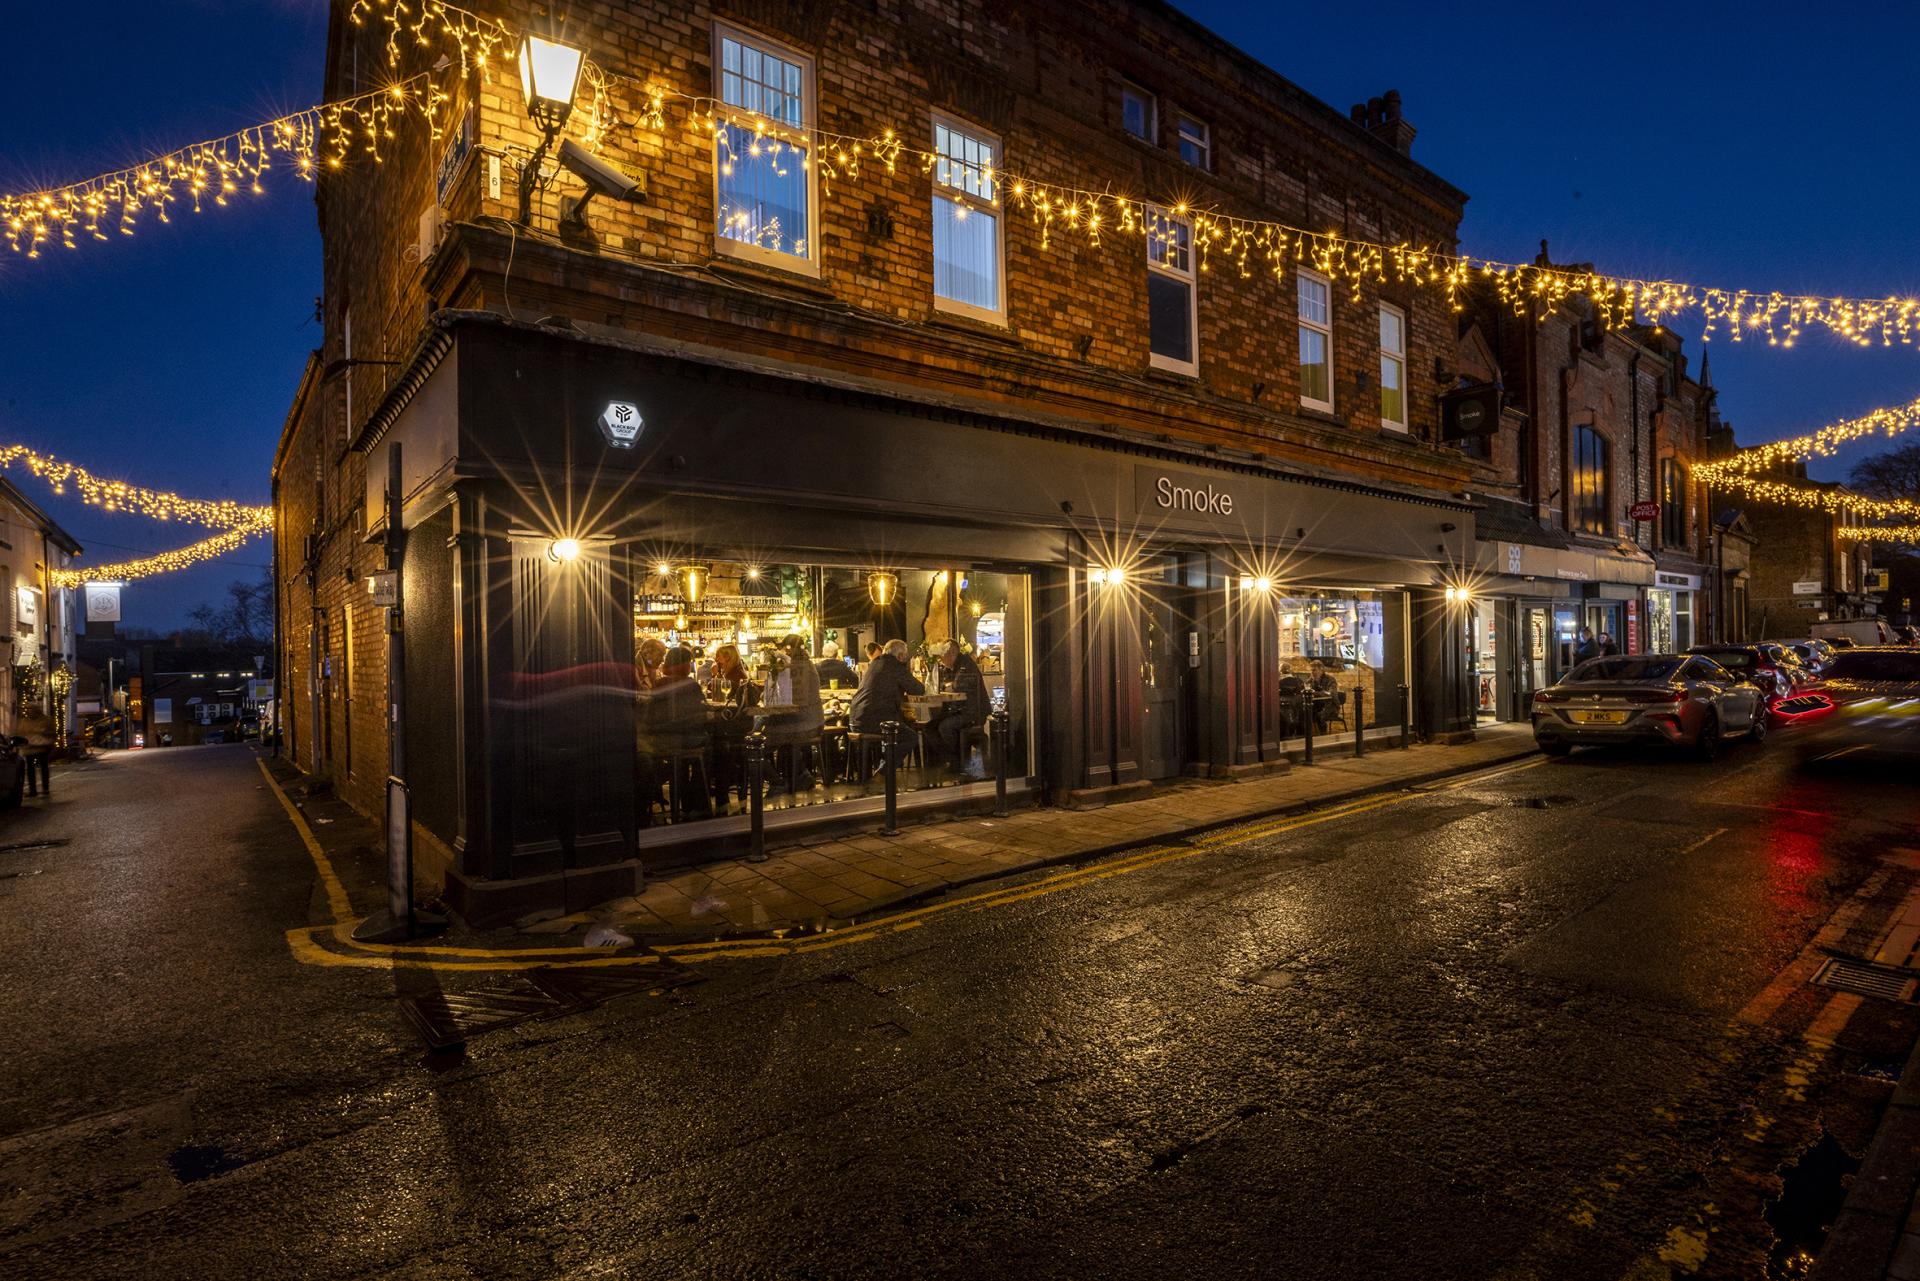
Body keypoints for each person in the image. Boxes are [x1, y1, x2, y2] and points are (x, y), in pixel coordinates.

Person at [637, 646, 711, 820]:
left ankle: (685, 802)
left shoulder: (659, 683)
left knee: (683, 760)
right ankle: (697, 802)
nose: (690, 667)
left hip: (659, 739)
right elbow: (700, 712)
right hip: (680, 739)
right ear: (683, 664)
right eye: (689, 663)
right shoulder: (689, 684)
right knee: (709, 746)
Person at [849, 639, 925, 769]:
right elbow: (918, 689)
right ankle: (885, 770)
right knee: (910, 737)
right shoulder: (895, 666)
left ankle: (882, 765)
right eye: (905, 656)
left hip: (854, 720)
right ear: (901, 656)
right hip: (874, 722)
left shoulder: (874, 664)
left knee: (900, 726)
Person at [930, 640, 990, 772]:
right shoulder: (953, 667)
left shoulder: (966, 664)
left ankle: (957, 762)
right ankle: (950, 759)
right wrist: (947, 685)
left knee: (945, 727)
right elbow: (945, 685)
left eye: (942, 656)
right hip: (960, 710)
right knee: (929, 727)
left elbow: (958, 686)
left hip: (974, 712)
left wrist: (948, 685)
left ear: (952, 654)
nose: (941, 659)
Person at [17, 705, 55, 797]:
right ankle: (33, 790)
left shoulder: (46, 720)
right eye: (29, 709)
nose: (30, 711)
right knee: (31, 769)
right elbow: (20, 733)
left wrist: (44, 734)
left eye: (32, 709)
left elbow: (52, 732)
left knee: (43, 768)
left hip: (42, 747)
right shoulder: (24, 721)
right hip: (29, 748)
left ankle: (45, 788)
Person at [1307, 659, 1341, 733]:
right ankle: (1308, 738)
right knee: (1305, 714)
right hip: (1317, 706)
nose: (1312, 673)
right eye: (1311, 670)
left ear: (1321, 670)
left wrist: (1316, 693)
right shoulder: (1310, 681)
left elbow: (1331, 693)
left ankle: (1323, 736)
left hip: (1331, 706)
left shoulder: (1330, 679)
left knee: (1319, 716)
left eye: (1314, 670)